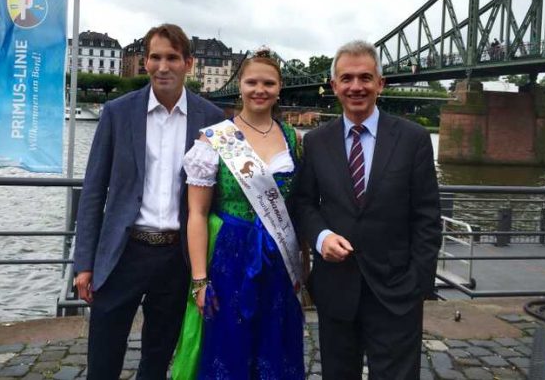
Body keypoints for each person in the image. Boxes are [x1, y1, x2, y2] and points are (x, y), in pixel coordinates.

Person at [73, 24, 224, 379]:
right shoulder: (117, 112)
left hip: (176, 256)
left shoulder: (212, 119)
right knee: (104, 356)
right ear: (145, 62)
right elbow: (94, 190)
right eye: (155, 57)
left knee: (157, 357)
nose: (163, 66)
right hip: (123, 252)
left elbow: (216, 198)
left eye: (172, 58)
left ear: (189, 62)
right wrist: (83, 263)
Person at [291, 40, 441, 379]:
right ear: (334, 86)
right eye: (346, 78)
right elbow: (303, 204)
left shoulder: (414, 138)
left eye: (365, 77)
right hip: (336, 288)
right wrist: (321, 236)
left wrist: (417, 283)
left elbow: (427, 217)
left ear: (380, 84)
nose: (356, 86)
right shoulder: (315, 141)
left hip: (397, 291)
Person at [171, 50, 305, 379]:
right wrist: (200, 281)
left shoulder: (294, 139)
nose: (260, 89)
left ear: (279, 87)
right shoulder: (213, 139)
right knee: (229, 346)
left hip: (278, 260)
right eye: (252, 81)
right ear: (240, 85)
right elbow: (197, 215)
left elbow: (297, 209)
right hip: (229, 259)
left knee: (275, 346)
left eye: (268, 83)